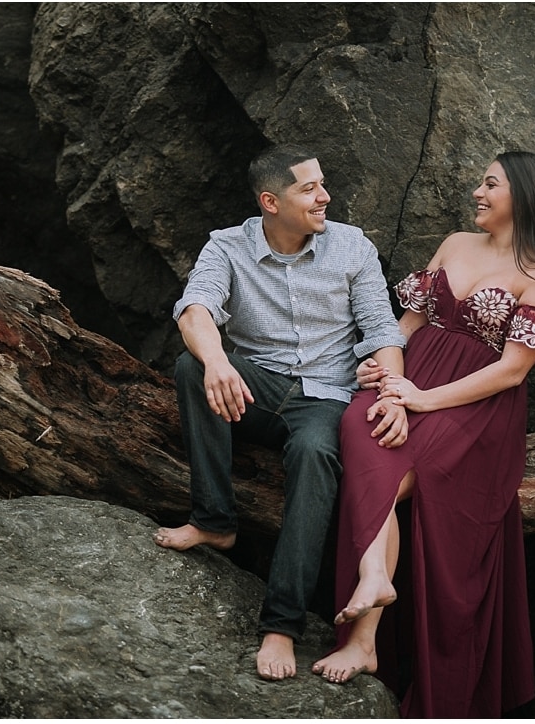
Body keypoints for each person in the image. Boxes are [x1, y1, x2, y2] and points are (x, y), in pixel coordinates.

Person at [311, 151, 535, 716]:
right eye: (480, 183)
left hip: (475, 409)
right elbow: (402, 326)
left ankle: (364, 636)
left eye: (490, 184)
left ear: (524, 196)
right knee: (360, 427)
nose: (477, 192)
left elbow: (511, 370)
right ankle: (374, 589)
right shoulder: (455, 244)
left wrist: (423, 401)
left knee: (399, 473)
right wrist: (384, 375)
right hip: (410, 377)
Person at [154, 147, 405, 681]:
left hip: (326, 397)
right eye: (309, 189)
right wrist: (218, 360)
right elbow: (195, 307)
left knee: (314, 453)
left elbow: (381, 329)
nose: (325, 197)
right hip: (257, 387)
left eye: (323, 184)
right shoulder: (227, 245)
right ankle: (213, 520)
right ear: (271, 202)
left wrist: (391, 391)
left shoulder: (351, 245)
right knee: (190, 367)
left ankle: (282, 625)